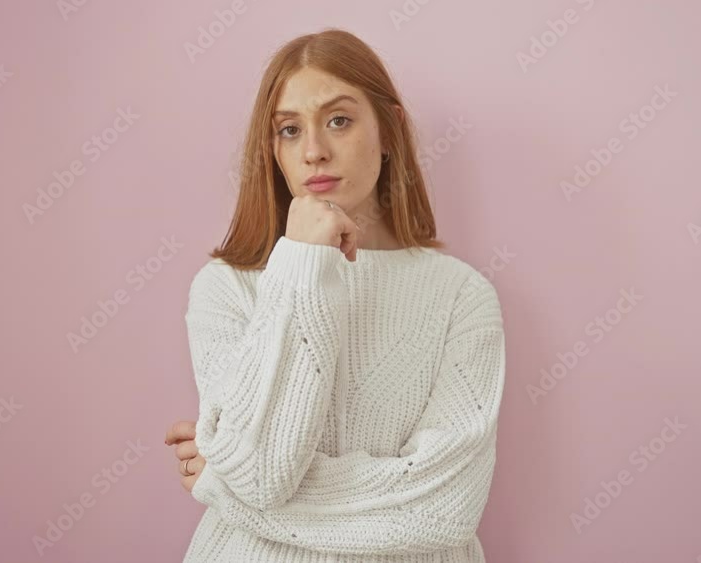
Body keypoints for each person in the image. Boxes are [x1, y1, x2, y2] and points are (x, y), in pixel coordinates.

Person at [164, 27, 507, 562]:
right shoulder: (226, 287)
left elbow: (443, 510)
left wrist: (223, 487)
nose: (314, 152)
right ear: (272, 150)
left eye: (339, 120)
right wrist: (302, 261)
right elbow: (260, 474)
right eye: (289, 130)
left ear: (389, 130)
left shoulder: (461, 296)